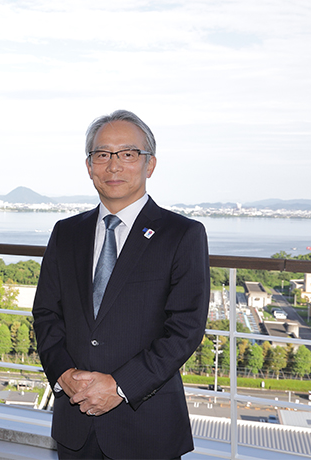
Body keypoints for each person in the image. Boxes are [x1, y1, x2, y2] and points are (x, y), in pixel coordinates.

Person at [32, 110, 209, 459]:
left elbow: (185, 328)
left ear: (150, 164)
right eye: (102, 154)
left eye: (128, 154)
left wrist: (120, 386)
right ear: (89, 166)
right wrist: (64, 374)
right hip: (75, 420)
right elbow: (46, 314)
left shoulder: (182, 234)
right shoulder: (66, 233)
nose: (114, 166)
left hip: (146, 424)